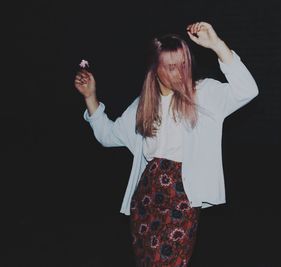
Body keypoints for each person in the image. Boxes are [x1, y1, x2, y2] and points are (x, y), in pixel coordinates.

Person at [74, 21, 258, 267]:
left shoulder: (203, 94)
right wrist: (90, 97)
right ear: (155, 69)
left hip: (182, 196)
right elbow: (108, 136)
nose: (180, 73)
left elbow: (247, 90)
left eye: (184, 65)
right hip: (146, 197)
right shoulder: (143, 105)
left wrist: (216, 45)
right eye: (171, 67)